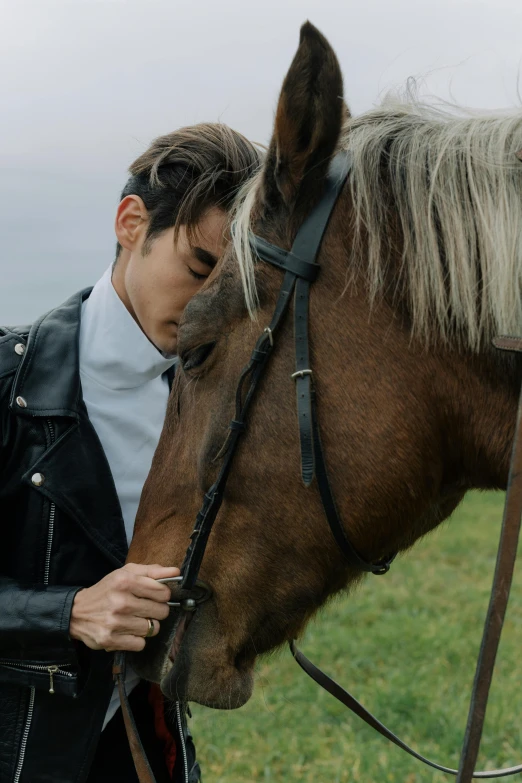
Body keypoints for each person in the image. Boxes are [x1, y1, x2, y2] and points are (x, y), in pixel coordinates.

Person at [0, 123, 262, 783]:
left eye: (234, 284)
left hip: (158, 748)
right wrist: (71, 609)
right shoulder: (10, 383)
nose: (212, 306)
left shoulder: (217, 400)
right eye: (200, 268)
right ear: (130, 222)